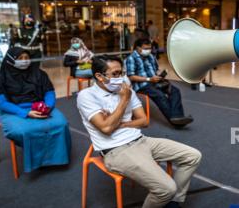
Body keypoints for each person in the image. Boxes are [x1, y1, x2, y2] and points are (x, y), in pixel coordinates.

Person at [77, 55, 201, 208]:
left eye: (122, 73)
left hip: (141, 140)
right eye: (115, 74)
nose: (121, 78)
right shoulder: (87, 96)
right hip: (116, 151)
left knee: (192, 156)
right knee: (167, 187)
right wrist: (124, 101)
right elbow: (107, 129)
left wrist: (119, 123)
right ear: (99, 76)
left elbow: (144, 121)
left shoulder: (127, 89)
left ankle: (173, 202)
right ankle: (167, 197)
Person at [0, 47, 71, 173]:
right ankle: (38, 158)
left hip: (40, 106)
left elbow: (49, 92)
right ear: (11, 60)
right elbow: (1, 102)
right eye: (20, 58)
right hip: (14, 110)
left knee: (61, 124)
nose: (24, 61)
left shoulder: (39, 73)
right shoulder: (0, 77)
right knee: (25, 131)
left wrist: (48, 107)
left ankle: (55, 158)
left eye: (27, 58)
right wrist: (25, 113)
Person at [126, 38, 193, 127]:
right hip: (141, 84)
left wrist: (160, 76)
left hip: (154, 81)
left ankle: (177, 117)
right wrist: (149, 79)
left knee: (175, 91)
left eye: (149, 48)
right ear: (138, 48)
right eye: (145, 48)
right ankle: (176, 121)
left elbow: (155, 70)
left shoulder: (151, 56)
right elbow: (131, 76)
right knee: (159, 95)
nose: (148, 50)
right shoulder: (131, 58)